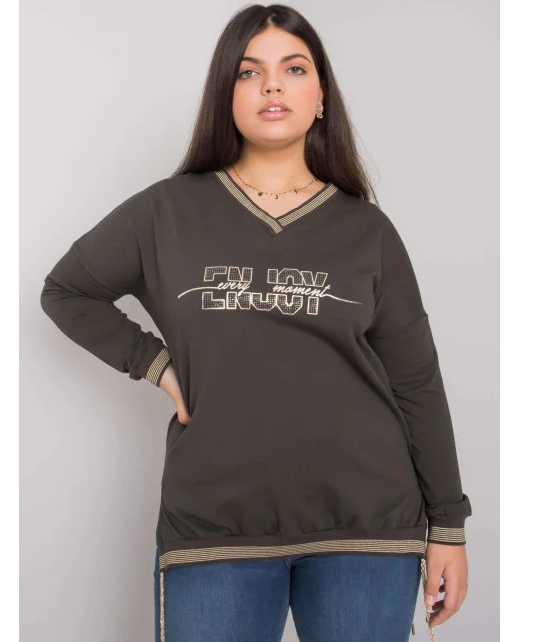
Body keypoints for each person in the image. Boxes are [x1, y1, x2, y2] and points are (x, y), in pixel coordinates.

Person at [40, 4, 472, 641]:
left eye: (294, 69)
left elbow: (416, 383)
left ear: (320, 96)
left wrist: (449, 527)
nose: (273, 85)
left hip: (367, 527)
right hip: (214, 527)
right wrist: (155, 365)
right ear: (226, 95)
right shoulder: (165, 212)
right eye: (249, 72)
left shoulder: (366, 230)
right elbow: (67, 291)